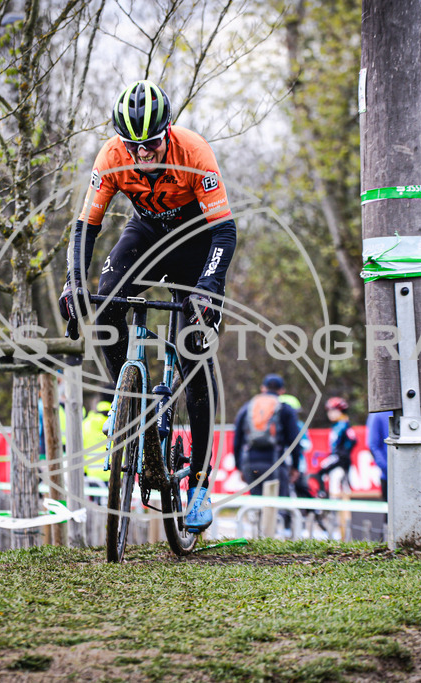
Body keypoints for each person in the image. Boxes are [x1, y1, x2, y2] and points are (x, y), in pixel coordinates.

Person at [58, 80, 237, 532]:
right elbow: (86, 228)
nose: (142, 154)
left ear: (168, 131)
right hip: (145, 234)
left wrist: (208, 286)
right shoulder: (111, 156)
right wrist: (73, 283)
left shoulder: (194, 151)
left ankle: (199, 482)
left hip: (196, 240)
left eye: (151, 143)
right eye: (132, 145)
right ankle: (129, 405)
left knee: (193, 351)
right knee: (103, 307)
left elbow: (224, 231)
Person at [233, 374, 304, 504]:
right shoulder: (285, 409)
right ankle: (282, 524)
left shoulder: (247, 408)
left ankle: (259, 524)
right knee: (279, 506)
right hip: (275, 463)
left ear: (262, 388)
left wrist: (239, 467)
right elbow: (295, 440)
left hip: (250, 463)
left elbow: (237, 440)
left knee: (258, 505)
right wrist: (295, 466)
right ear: (282, 391)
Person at [316, 396, 356, 497]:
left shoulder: (343, 425)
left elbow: (353, 440)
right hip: (339, 458)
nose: (329, 413)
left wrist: (341, 454)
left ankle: (323, 497)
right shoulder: (338, 425)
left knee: (329, 478)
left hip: (341, 459)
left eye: (332, 410)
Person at [366, 410, 393, 501]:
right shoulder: (378, 413)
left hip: (413, 476)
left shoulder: (410, 409)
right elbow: (373, 445)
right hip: (389, 477)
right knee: (392, 513)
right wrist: (387, 469)